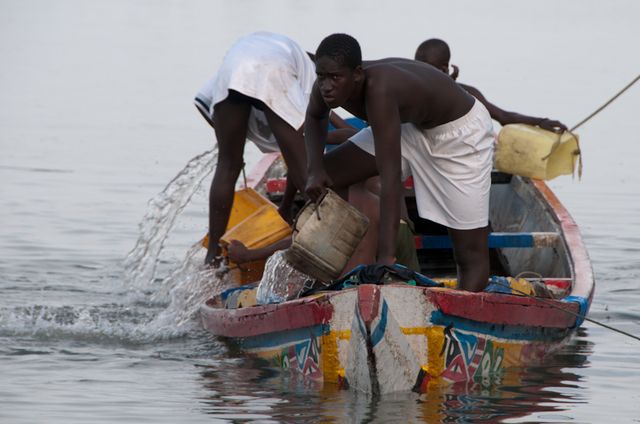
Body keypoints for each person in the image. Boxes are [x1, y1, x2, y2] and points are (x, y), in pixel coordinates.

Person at [305, 33, 495, 292]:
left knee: (470, 253)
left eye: (335, 78)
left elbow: (391, 178)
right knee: (329, 175)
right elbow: (315, 117)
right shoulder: (326, 83)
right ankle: (347, 267)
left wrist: (387, 257)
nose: (326, 86)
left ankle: (457, 320)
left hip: (460, 135)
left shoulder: (379, 91)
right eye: (321, 76)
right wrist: (315, 170)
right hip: (409, 125)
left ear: (357, 74)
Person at [196, 31, 352, 266]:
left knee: (227, 165)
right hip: (273, 71)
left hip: (232, 73)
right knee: (308, 177)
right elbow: (309, 140)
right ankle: (324, 242)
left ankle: (213, 257)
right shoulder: (309, 74)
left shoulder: (271, 54)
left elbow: (205, 105)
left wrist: (285, 205)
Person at [414, 38, 567, 132]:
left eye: (427, 69)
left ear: (444, 69)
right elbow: (504, 117)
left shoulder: (467, 93)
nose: (421, 74)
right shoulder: (411, 93)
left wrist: (540, 122)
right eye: (417, 68)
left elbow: (503, 117)